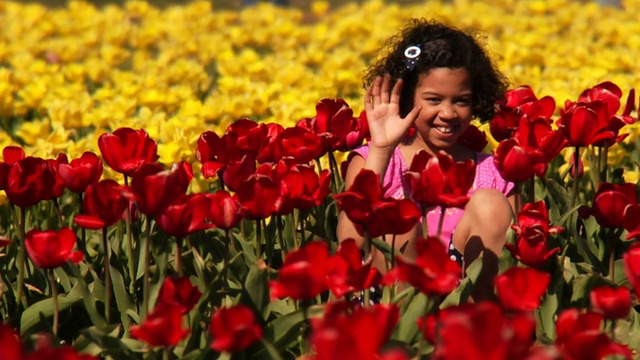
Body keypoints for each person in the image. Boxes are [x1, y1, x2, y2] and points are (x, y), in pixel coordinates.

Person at [336, 18, 519, 302]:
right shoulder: (377, 160)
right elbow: (350, 242)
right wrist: (382, 149)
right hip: (395, 308)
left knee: (490, 204)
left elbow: (513, 261)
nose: (448, 113)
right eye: (433, 100)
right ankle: (403, 332)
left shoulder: (493, 173)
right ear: (407, 97)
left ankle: (484, 330)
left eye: (461, 101)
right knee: (397, 214)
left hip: (467, 308)